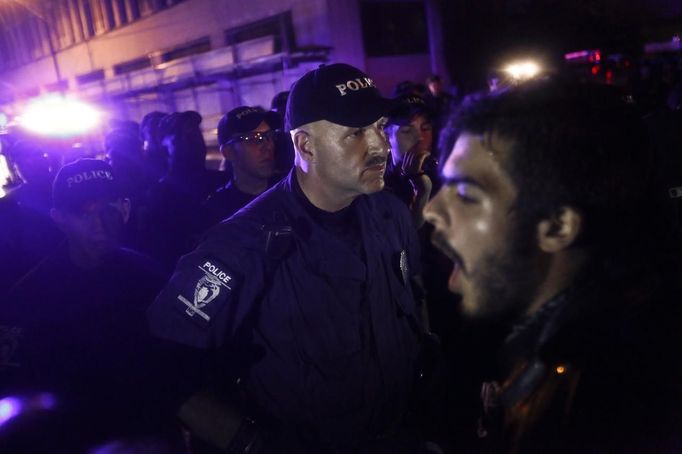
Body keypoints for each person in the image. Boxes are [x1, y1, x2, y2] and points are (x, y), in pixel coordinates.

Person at [148, 63, 427, 452]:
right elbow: (164, 363)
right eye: (356, 133)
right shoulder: (243, 243)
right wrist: (248, 442)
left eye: (380, 126)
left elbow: (416, 313)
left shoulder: (391, 215)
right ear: (306, 145)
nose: (380, 145)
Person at [423, 78, 682, 452]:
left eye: (465, 193)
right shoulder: (553, 345)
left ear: (558, 225)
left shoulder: (623, 402)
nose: (431, 210)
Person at [0, 159, 180, 453]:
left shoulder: (150, 274)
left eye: (109, 208)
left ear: (125, 209)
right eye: (84, 212)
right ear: (58, 218)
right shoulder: (29, 298)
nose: (100, 224)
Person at [203, 106, 281, 227]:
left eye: (269, 135)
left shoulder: (290, 192)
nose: (268, 146)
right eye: (254, 138)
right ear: (228, 152)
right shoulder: (216, 211)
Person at [384, 94, 437, 227]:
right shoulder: (378, 186)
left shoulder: (447, 175)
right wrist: (421, 192)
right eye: (407, 131)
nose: (420, 137)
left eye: (425, 129)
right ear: (386, 138)